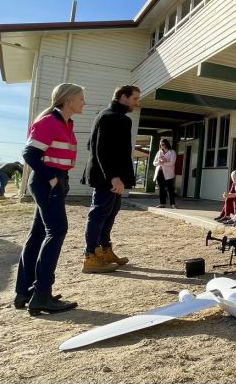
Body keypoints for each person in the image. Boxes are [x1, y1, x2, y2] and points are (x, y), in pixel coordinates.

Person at [14, 83, 84, 314]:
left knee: (38, 234)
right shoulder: (49, 122)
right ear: (68, 100)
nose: (84, 102)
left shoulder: (66, 123)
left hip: (54, 182)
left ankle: (25, 292)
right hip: (48, 182)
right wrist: (53, 178)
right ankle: (42, 294)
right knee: (57, 231)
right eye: (81, 98)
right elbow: (30, 154)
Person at [82, 84, 140, 273]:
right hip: (107, 177)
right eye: (134, 99)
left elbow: (93, 145)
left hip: (114, 177)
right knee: (99, 213)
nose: (136, 103)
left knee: (110, 212)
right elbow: (100, 149)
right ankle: (90, 256)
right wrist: (113, 177)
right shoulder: (110, 116)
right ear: (123, 97)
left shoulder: (117, 117)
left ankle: (105, 250)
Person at [153, 138, 177, 209]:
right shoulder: (159, 152)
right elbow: (154, 163)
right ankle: (162, 203)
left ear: (166, 144)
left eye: (163, 144)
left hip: (168, 173)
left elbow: (172, 163)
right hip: (160, 172)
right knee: (161, 188)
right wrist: (160, 162)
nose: (161, 146)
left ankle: (173, 204)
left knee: (170, 188)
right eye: (160, 145)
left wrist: (163, 163)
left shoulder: (172, 152)